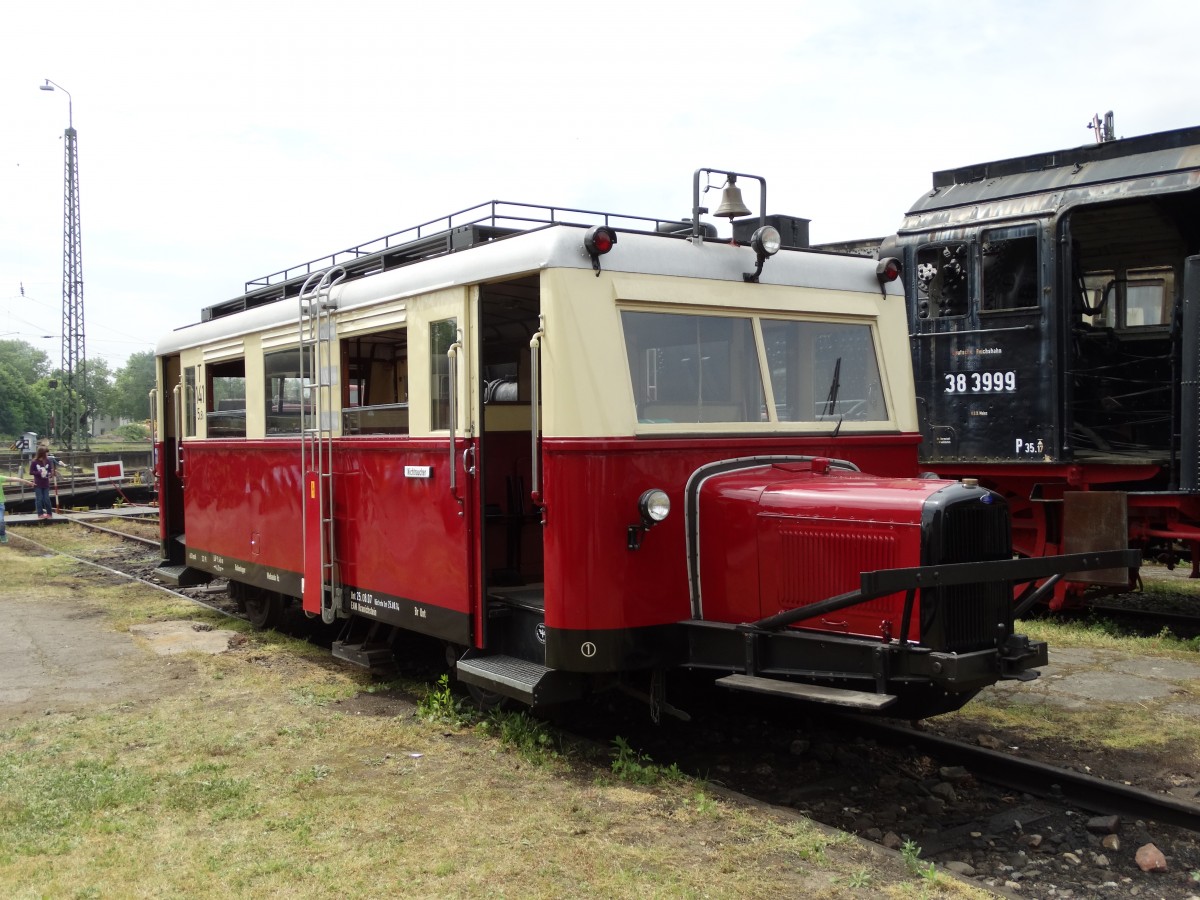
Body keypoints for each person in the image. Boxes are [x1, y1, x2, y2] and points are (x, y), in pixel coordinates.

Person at [30, 446, 57, 520]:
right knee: (39, 499)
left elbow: (49, 470)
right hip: (38, 483)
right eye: (46, 453)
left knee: (46, 498)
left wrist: (49, 473)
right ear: (42, 453)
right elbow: (31, 472)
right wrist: (39, 472)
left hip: (45, 483)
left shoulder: (47, 461)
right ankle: (40, 513)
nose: (47, 454)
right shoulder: (34, 462)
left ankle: (49, 513)